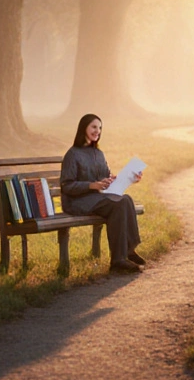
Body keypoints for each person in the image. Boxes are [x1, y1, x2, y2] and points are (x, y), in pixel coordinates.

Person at [60, 113, 146, 273]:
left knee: (126, 199)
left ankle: (128, 250)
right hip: (77, 202)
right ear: (83, 128)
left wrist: (127, 178)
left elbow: (106, 177)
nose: (97, 131)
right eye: (94, 127)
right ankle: (118, 261)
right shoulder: (73, 154)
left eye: (100, 128)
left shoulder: (98, 154)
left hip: (96, 198)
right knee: (118, 204)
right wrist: (92, 185)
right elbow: (66, 185)